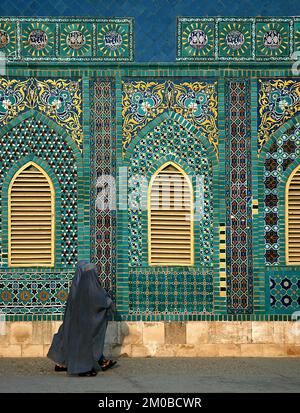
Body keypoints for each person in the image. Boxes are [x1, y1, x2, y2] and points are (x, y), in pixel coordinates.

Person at [47, 261, 117, 376]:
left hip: (74, 319)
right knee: (85, 340)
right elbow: (99, 300)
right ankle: (82, 368)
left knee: (68, 333)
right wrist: (108, 302)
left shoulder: (76, 285)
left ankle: (62, 363)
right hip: (85, 322)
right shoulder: (90, 285)